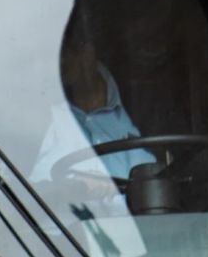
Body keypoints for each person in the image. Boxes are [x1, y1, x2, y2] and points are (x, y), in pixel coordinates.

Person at [32, 27, 154, 184]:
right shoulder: (49, 117)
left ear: (88, 52)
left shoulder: (138, 106)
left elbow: (153, 183)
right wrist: (74, 186)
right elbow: (33, 191)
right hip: (59, 208)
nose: (58, 66)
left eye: (63, 55)